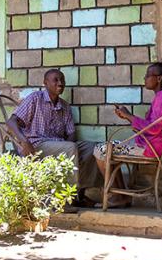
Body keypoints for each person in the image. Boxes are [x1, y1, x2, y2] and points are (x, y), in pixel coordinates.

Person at [7, 68, 100, 210]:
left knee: (93, 148)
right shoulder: (35, 98)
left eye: (62, 80)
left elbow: (71, 133)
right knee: (70, 148)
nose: (60, 83)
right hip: (36, 146)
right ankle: (63, 200)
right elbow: (11, 122)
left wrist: (69, 143)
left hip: (58, 145)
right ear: (45, 83)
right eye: (56, 80)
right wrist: (24, 142)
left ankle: (79, 193)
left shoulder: (64, 106)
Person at [95, 62, 162, 208]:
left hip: (152, 149)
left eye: (148, 75)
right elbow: (152, 127)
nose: (145, 78)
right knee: (107, 148)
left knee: (100, 149)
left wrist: (129, 116)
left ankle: (118, 196)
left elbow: (154, 128)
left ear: (159, 79)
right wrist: (128, 116)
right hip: (152, 146)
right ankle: (121, 196)